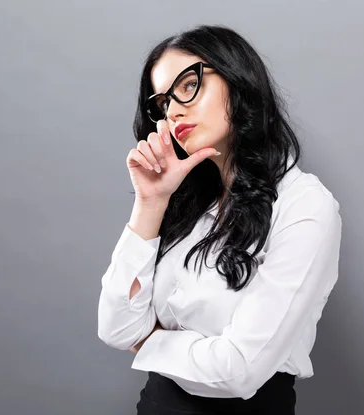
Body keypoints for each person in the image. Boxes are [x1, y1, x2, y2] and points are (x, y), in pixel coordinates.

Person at [97, 24, 342, 414]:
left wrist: (151, 343)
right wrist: (150, 202)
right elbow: (114, 327)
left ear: (237, 79)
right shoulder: (187, 199)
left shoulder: (305, 206)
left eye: (188, 86)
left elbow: (238, 371)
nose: (174, 109)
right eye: (162, 102)